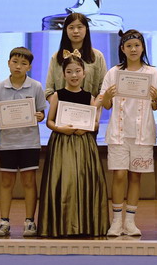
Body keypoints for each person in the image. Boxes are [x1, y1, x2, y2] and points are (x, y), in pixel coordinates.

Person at [98, 29, 157, 237]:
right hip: (118, 132)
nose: (133, 49)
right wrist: (107, 96)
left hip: (142, 133)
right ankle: (116, 221)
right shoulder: (113, 72)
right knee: (119, 175)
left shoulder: (152, 73)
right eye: (129, 46)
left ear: (143, 48)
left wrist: (156, 99)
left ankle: (130, 221)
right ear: (122, 49)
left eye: (137, 45)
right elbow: (106, 104)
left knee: (135, 177)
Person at [38, 54, 108, 238]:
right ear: (63, 74)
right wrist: (61, 128)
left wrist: (86, 128)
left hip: (84, 144)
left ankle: (85, 225)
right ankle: (62, 225)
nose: (74, 75)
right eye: (69, 72)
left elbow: (95, 124)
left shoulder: (89, 97)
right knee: (64, 182)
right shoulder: (57, 95)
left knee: (83, 181)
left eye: (77, 71)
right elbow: (49, 121)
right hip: (62, 143)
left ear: (84, 73)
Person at [0, 47, 47, 238]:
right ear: (8, 63)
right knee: (6, 182)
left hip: (29, 142)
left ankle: (30, 221)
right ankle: (4, 221)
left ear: (29, 67)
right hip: (8, 143)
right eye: (15, 62)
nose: (18, 66)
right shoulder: (0, 87)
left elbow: (41, 112)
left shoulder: (36, 86)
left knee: (29, 182)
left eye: (23, 63)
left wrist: (40, 116)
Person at [44, 12, 107, 99]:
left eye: (80, 27)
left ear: (86, 29)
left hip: (90, 106)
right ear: (65, 30)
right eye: (71, 27)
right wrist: (56, 104)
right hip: (62, 107)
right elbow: (49, 90)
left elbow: (103, 90)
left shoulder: (97, 56)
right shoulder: (56, 57)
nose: (75, 31)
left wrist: (94, 105)